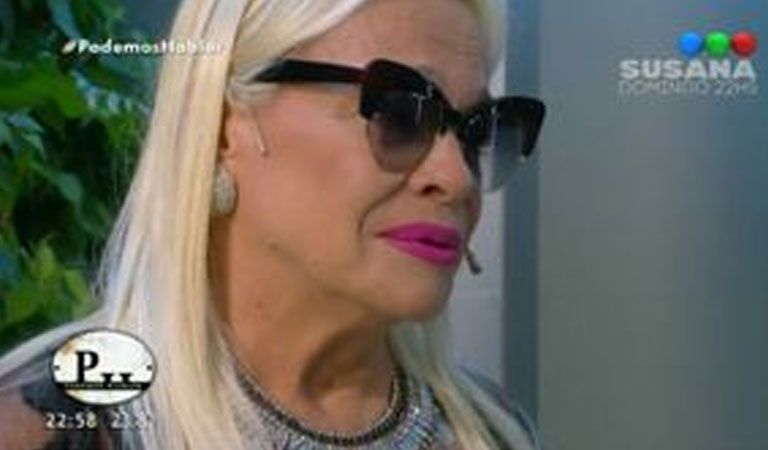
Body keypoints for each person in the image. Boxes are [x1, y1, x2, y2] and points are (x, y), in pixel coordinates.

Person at [0, 0, 545, 448]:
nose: (458, 178)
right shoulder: (45, 430)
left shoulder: (491, 433)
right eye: (401, 112)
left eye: (476, 129)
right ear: (224, 126)